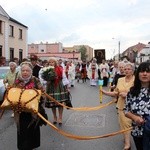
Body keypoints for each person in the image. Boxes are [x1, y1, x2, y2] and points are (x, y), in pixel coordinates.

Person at [101, 62, 135, 150]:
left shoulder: (136, 80)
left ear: (133, 71)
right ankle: (126, 138)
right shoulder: (120, 80)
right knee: (122, 124)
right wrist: (106, 93)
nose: (126, 71)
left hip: (132, 106)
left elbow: (139, 93)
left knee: (126, 124)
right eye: (125, 69)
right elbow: (116, 92)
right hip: (121, 105)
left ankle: (127, 144)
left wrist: (128, 94)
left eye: (129, 69)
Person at [13, 61, 45, 150]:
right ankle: (23, 147)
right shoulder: (17, 81)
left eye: (27, 70)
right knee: (22, 129)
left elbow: (42, 92)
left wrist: (39, 98)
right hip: (20, 111)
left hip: (33, 111)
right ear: (21, 71)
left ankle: (32, 146)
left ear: (31, 71)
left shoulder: (35, 80)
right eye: (23, 70)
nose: (25, 72)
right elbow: (13, 93)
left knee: (32, 128)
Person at [124, 61, 150, 150]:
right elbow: (126, 111)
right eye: (142, 71)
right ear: (138, 74)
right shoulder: (132, 92)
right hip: (137, 131)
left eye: (148, 71)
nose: (145, 74)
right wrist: (135, 118)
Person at [45, 57, 69, 125]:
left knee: (60, 103)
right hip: (51, 87)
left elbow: (64, 78)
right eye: (50, 62)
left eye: (52, 62)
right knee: (52, 103)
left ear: (55, 62)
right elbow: (43, 79)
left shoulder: (60, 69)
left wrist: (67, 87)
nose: (51, 63)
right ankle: (55, 117)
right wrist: (47, 81)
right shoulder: (46, 70)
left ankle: (60, 117)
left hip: (59, 86)